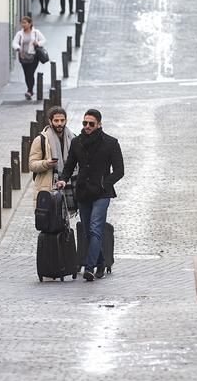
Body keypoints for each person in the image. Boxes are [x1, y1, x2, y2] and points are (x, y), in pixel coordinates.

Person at [57, 109, 124, 281]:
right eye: (85, 123)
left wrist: (104, 183)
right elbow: (69, 165)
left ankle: (90, 267)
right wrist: (63, 179)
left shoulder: (110, 143)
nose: (87, 126)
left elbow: (119, 171)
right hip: (83, 193)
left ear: (99, 124)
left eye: (91, 124)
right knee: (88, 232)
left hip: (102, 194)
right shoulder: (77, 142)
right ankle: (101, 262)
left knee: (95, 228)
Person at [29, 106, 76, 204]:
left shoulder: (73, 138)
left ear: (66, 120)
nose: (59, 124)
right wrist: (46, 164)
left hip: (68, 187)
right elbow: (32, 165)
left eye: (62, 120)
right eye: (56, 120)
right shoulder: (41, 140)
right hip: (47, 190)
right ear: (50, 121)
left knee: (64, 218)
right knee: (48, 218)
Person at [11, 16, 46, 101]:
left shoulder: (36, 32)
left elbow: (43, 40)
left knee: (30, 73)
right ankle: (30, 89)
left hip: (33, 56)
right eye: (22, 23)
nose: (23, 24)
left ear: (30, 24)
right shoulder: (19, 33)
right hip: (23, 57)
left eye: (25, 23)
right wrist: (18, 48)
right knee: (26, 74)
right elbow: (14, 43)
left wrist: (37, 43)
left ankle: (30, 91)